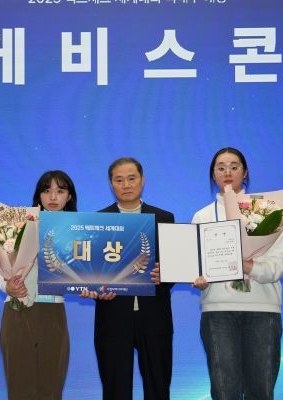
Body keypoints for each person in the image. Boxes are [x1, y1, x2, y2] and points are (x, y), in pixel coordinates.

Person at [192, 147, 283, 400]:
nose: (228, 172)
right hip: (218, 310)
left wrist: (249, 267)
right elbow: (194, 263)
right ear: (213, 175)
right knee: (224, 390)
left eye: (234, 167)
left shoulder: (268, 211)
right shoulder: (202, 216)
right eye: (221, 167)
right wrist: (198, 279)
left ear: (245, 172)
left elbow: (281, 263)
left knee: (260, 389)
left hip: (263, 309)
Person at [82, 157, 175, 400]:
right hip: (112, 317)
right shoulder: (98, 221)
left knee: (158, 388)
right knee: (115, 390)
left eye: (131, 178)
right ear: (111, 184)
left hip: (155, 317)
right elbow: (91, 270)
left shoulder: (164, 217)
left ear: (142, 180)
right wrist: (92, 287)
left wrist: (165, 275)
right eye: (119, 180)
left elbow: (175, 268)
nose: (126, 185)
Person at [0, 170, 77, 400]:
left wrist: (94, 288)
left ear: (69, 197)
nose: (53, 197)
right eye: (47, 190)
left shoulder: (79, 231)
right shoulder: (18, 224)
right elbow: (2, 266)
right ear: (38, 195)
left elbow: (88, 272)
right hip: (18, 309)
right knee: (19, 388)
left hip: (53, 311)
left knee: (51, 389)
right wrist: (7, 286)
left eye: (60, 191)